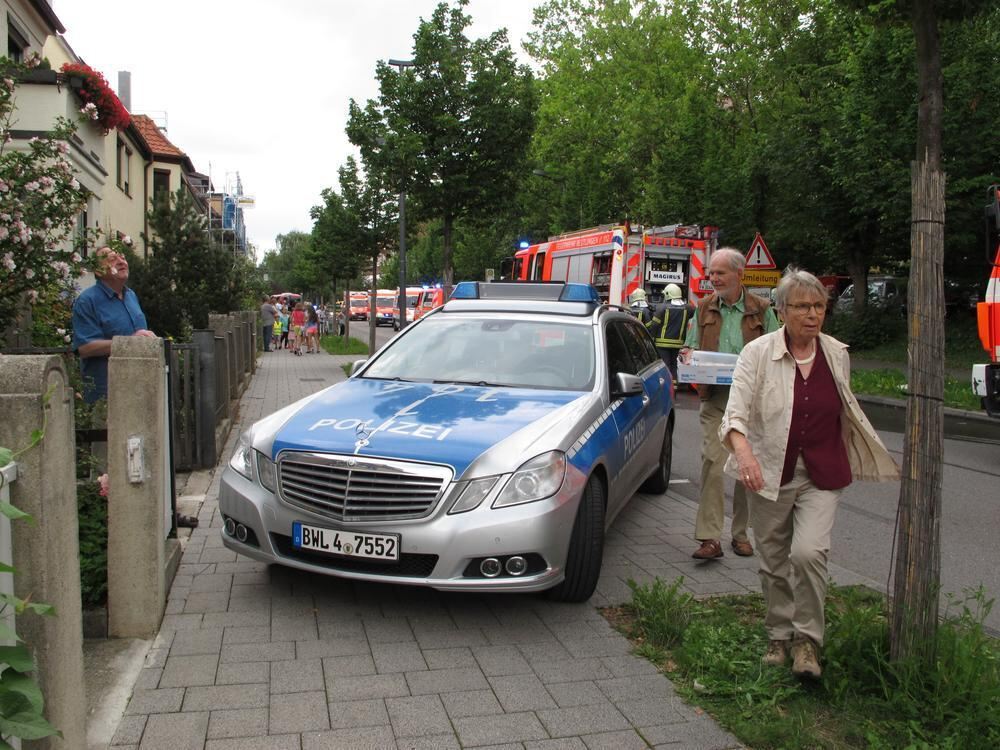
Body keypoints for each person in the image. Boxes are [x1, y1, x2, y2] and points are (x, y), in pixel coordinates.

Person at [719, 268, 898, 678]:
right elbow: (735, 413)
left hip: (821, 471)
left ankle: (807, 644)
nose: (812, 314)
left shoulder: (836, 353)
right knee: (774, 561)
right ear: (781, 311)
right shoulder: (758, 353)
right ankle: (778, 636)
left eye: (819, 306)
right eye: (801, 306)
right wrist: (744, 454)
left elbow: (843, 411)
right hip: (766, 473)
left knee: (809, 553)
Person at [681, 247, 780, 560]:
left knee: (742, 468)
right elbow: (691, 345)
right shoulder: (705, 307)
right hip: (716, 400)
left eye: (719, 273)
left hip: (751, 404)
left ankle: (740, 534)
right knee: (712, 463)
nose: (713, 278)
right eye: (711, 273)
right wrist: (687, 355)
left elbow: (777, 352)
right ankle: (710, 538)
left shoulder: (762, 310)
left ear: (739, 274)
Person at [72, 246, 156, 403]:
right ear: (98, 271)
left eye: (122, 258)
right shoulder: (87, 301)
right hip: (107, 394)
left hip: (140, 386)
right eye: (112, 259)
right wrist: (128, 343)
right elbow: (84, 348)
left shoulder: (131, 295)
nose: (121, 262)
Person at [646, 283, 693, 381]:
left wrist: (650, 337)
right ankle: (674, 387)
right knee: (674, 366)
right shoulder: (688, 308)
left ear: (668, 294)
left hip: (662, 344)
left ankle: (667, 388)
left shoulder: (662, 308)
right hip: (678, 344)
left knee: (665, 366)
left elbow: (654, 325)